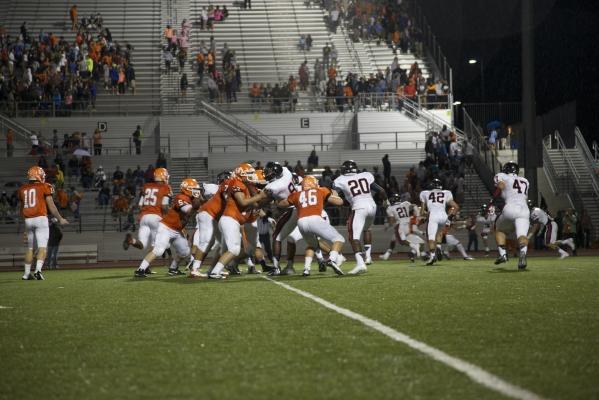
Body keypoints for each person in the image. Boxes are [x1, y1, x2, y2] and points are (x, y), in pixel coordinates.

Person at [208, 164, 268, 279]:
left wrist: (266, 197)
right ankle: (215, 272)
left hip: (231, 220)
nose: (252, 176)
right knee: (234, 249)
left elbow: (256, 205)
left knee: (225, 250)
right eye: (249, 174)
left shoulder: (245, 187)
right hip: (230, 220)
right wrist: (260, 196)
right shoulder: (237, 183)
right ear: (242, 175)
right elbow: (243, 202)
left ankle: (214, 270)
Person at [134, 178, 201, 277]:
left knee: (185, 252)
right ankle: (140, 270)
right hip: (166, 227)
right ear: (187, 189)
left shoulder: (191, 199)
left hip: (177, 230)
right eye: (194, 189)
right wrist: (197, 202)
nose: (196, 191)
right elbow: (187, 210)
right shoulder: (180, 197)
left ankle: (173, 268)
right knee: (159, 250)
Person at [280, 176, 345, 276]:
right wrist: (335, 194)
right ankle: (332, 259)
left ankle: (311, 266)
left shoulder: (296, 195)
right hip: (315, 219)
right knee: (339, 239)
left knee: (314, 245)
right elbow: (339, 202)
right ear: (313, 184)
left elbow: (282, 204)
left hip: (301, 222)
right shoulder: (321, 190)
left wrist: (277, 200)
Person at [333, 160, 388, 274]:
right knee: (367, 229)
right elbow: (381, 190)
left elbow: (333, 195)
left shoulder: (340, 180)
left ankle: (360, 263)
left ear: (343, 169)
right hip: (372, 206)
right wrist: (386, 201)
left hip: (359, 207)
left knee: (354, 237)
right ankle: (368, 257)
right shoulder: (365, 175)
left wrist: (343, 201)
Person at [18, 166, 68, 280]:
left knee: (30, 249)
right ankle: (38, 271)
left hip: (28, 219)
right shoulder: (45, 186)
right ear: (38, 175)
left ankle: (26, 274)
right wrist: (60, 218)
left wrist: (25, 228)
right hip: (40, 218)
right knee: (42, 248)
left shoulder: (22, 189)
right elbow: (51, 205)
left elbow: (21, 209)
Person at [188, 172, 231, 278]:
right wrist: (199, 200)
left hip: (213, 216)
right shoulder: (221, 186)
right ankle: (194, 269)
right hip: (208, 213)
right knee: (205, 242)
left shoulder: (223, 187)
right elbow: (199, 189)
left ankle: (214, 269)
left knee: (224, 244)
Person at [124, 168, 172, 258]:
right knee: (156, 246)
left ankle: (131, 241)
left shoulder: (146, 186)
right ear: (163, 176)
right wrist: (171, 213)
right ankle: (145, 267)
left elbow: (140, 205)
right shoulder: (165, 187)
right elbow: (164, 207)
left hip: (144, 217)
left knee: (142, 245)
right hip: (156, 217)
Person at [492, 161, 530, 269]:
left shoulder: (501, 175)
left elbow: (501, 185)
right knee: (522, 235)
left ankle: (503, 254)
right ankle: (523, 253)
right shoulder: (525, 180)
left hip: (510, 207)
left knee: (499, 229)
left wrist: (496, 194)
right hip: (524, 209)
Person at [419, 178, 460, 266]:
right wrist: (450, 218)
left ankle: (432, 256)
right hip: (444, 216)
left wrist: (427, 214)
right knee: (440, 234)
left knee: (431, 237)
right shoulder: (446, 192)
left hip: (433, 215)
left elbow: (422, 212)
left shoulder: (425, 193)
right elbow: (456, 207)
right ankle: (438, 247)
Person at [380, 193, 419, 261]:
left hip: (400, 225)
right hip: (408, 224)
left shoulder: (390, 208)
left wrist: (388, 226)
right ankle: (387, 255)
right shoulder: (406, 203)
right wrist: (417, 216)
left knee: (402, 241)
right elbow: (414, 206)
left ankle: (415, 246)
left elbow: (391, 222)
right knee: (393, 238)